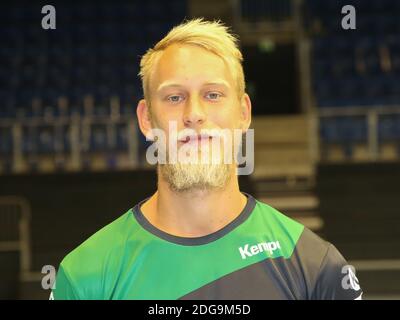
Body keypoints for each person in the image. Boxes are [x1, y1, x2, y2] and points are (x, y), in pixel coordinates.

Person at [52, 18, 362, 300]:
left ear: (243, 113)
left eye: (213, 94)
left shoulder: (317, 268)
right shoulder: (85, 275)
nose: (194, 115)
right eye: (175, 97)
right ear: (147, 119)